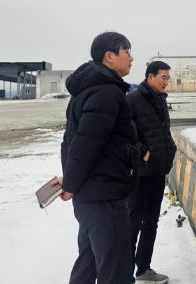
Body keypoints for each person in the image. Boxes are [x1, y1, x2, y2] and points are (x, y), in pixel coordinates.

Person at [57, 31, 140, 284]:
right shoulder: (105, 92)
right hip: (105, 196)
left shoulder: (88, 90)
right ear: (109, 56)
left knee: (89, 261)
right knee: (116, 270)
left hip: (91, 194)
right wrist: (70, 183)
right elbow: (85, 144)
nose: (131, 58)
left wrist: (71, 181)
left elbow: (71, 141)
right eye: (127, 51)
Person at [126, 61, 177, 284]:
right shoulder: (132, 100)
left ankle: (143, 268)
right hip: (141, 174)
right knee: (133, 223)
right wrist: (143, 152)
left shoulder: (160, 100)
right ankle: (124, 271)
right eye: (163, 77)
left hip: (158, 171)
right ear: (150, 77)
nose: (166, 82)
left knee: (151, 223)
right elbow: (125, 134)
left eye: (168, 78)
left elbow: (163, 132)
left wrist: (170, 150)